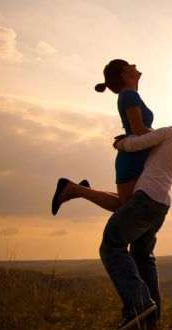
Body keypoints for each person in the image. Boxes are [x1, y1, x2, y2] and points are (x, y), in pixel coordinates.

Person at [54, 110, 172, 330]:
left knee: (111, 245)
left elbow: (135, 144)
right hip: (160, 204)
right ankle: (151, 319)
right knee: (142, 257)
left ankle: (138, 306)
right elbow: (149, 138)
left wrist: (120, 143)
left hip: (146, 199)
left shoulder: (170, 133)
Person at [51, 59, 153, 215]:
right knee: (127, 207)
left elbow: (136, 129)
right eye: (130, 65)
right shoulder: (129, 95)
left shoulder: (131, 95)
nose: (134, 66)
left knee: (128, 204)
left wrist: (130, 134)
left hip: (135, 154)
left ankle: (80, 189)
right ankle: (73, 188)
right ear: (124, 74)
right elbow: (138, 129)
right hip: (132, 158)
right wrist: (168, 135)